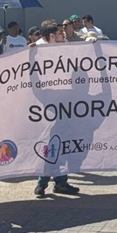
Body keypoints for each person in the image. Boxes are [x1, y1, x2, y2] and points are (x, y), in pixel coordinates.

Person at [31, 23, 82, 197]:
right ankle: (43, 182)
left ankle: (60, 182)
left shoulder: (63, 48)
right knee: (49, 145)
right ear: (51, 36)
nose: (64, 35)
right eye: (60, 33)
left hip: (64, 103)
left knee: (62, 145)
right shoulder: (38, 50)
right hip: (47, 104)